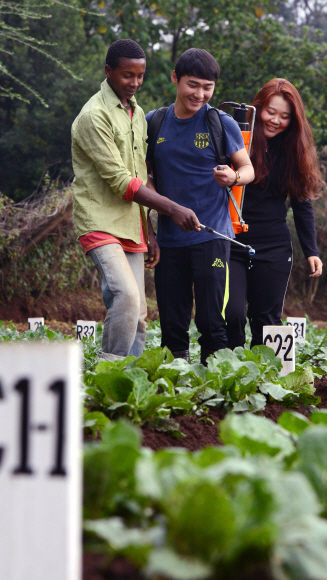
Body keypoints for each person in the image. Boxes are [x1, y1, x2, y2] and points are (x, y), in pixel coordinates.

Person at [71, 39, 200, 361]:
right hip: (99, 220)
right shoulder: (93, 116)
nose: (135, 83)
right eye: (127, 75)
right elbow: (119, 180)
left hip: (132, 224)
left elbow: (139, 173)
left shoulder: (137, 112)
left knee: (139, 313)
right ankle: (108, 371)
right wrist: (172, 208)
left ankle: (131, 380)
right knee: (126, 297)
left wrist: (150, 232)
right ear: (108, 72)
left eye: (140, 76)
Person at [146, 48, 254, 365]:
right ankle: (179, 394)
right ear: (175, 79)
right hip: (168, 239)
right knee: (172, 326)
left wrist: (233, 176)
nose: (200, 94)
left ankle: (216, 390)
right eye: (193, 85)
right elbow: (144, 176)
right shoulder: (155, 123)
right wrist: (162, 209)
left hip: (211, 235)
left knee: (211, 321)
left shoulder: (220, 123)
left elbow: (248, 169)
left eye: (208, 87)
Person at [225, 78, 323, 349]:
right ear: (258, 108)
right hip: (232, 243)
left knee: (266, 322)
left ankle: (264, 386)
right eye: (271, 112)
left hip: (274, 247)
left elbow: (302, 204)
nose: (275, 121)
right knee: (231, 316)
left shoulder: (295, 151)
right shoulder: (237, 139)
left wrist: (311, 250)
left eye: (284, 116)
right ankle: (228, 378)